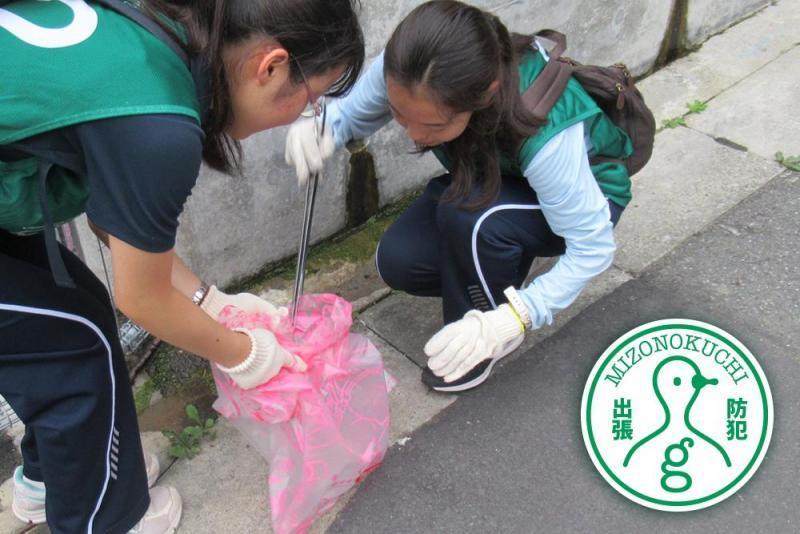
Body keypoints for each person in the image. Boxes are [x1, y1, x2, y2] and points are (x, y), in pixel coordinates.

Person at [0, 0, 364, 532]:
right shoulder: (158, 128)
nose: (304, 117)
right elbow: (141, 298)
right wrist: (247, 354)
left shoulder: (156, 34)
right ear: (271, 66)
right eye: (311, 102)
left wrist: (209, 301)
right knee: (78, 346)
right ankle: (105, 520)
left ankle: (50, 479)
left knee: (62, 323)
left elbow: (119, 224)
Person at [285, 0, 633, 393]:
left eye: (433, 124)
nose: (415, 134)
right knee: (399, 260)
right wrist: (323, 128)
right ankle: (496, 263)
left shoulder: (545, 133)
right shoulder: (405, 69)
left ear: (485, 95)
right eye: (401, 115)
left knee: (471, 220)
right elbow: (350, 115)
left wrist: (518, 315)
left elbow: (593, 248)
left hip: (592, 200)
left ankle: (482, 332)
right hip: (499, 181)